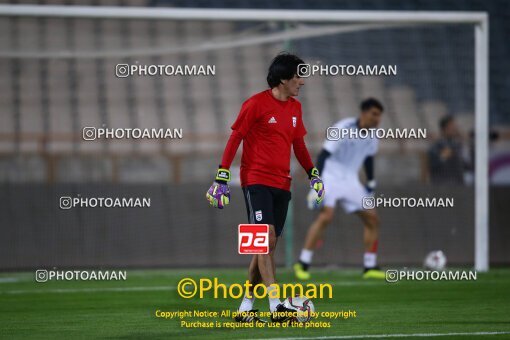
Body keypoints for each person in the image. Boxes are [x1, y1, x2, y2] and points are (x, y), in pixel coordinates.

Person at [206, 53, 325, 323]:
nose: (302, 82)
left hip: (283, 184)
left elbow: (300, 146)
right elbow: (235, 137)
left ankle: (246, 307)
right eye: (298, 75)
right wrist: (221, 176)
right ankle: (276, 305)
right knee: (266, 242)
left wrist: (313, 175)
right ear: (283, 78)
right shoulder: (255, 104)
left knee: (264, 249)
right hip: (256, 181)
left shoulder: (295, 108)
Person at [294, 98, 386, 280]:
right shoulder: (343, 127)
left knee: (373, 219)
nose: (377, 119)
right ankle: (303, 263)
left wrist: (371, 182)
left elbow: (368, 159)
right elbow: (323, 155)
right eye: (374, 114)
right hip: (330, 176)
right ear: (364, 113)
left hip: (351, 180)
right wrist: (316, 183)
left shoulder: (373, 136)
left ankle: (369, 266)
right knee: (326, 216)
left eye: (379, 116)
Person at [428, 115, 464, 185]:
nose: (455, 128)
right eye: (451, 126)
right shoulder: (437, 145)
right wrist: (443, 156)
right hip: (442, 184)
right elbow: (433, 164)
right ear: (444, 128)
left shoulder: (457, 145)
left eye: (454, 126)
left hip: (457, 183)